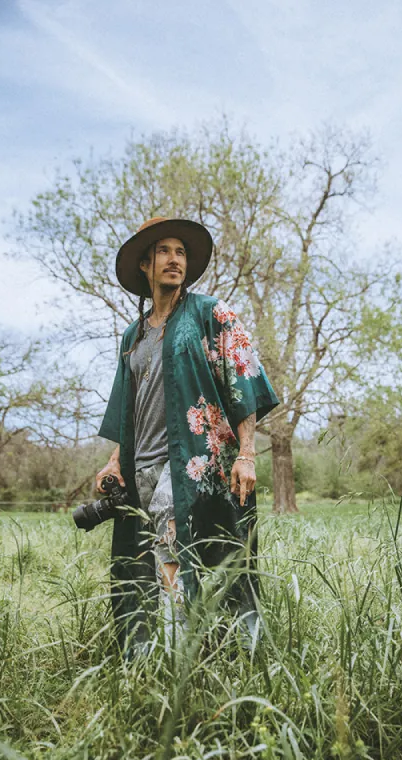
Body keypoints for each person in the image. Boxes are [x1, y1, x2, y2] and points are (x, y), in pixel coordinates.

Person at [96, 216, 278, 656]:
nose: (174, 259)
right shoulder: (132, 335)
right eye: (163, 251)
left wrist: (247, 452)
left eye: (180, 252)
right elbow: (126, 407)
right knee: (146, 557)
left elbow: (244, 379)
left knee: (181, 548)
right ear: (145, 264)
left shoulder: (210, 313)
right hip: (143, 463)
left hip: (197, 460)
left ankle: (182, 656)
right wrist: (114, 460)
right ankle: (148, 650)